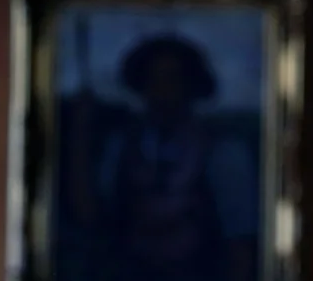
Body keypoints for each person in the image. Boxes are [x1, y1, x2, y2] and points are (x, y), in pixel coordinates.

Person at [71, 34, 259, 281]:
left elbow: (241, 244)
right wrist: (80, 136)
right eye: (152, 79)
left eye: (172, 79)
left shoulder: (224, 153)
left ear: (192, 86)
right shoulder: (121, 147)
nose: (161, 90)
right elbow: (91, 215)